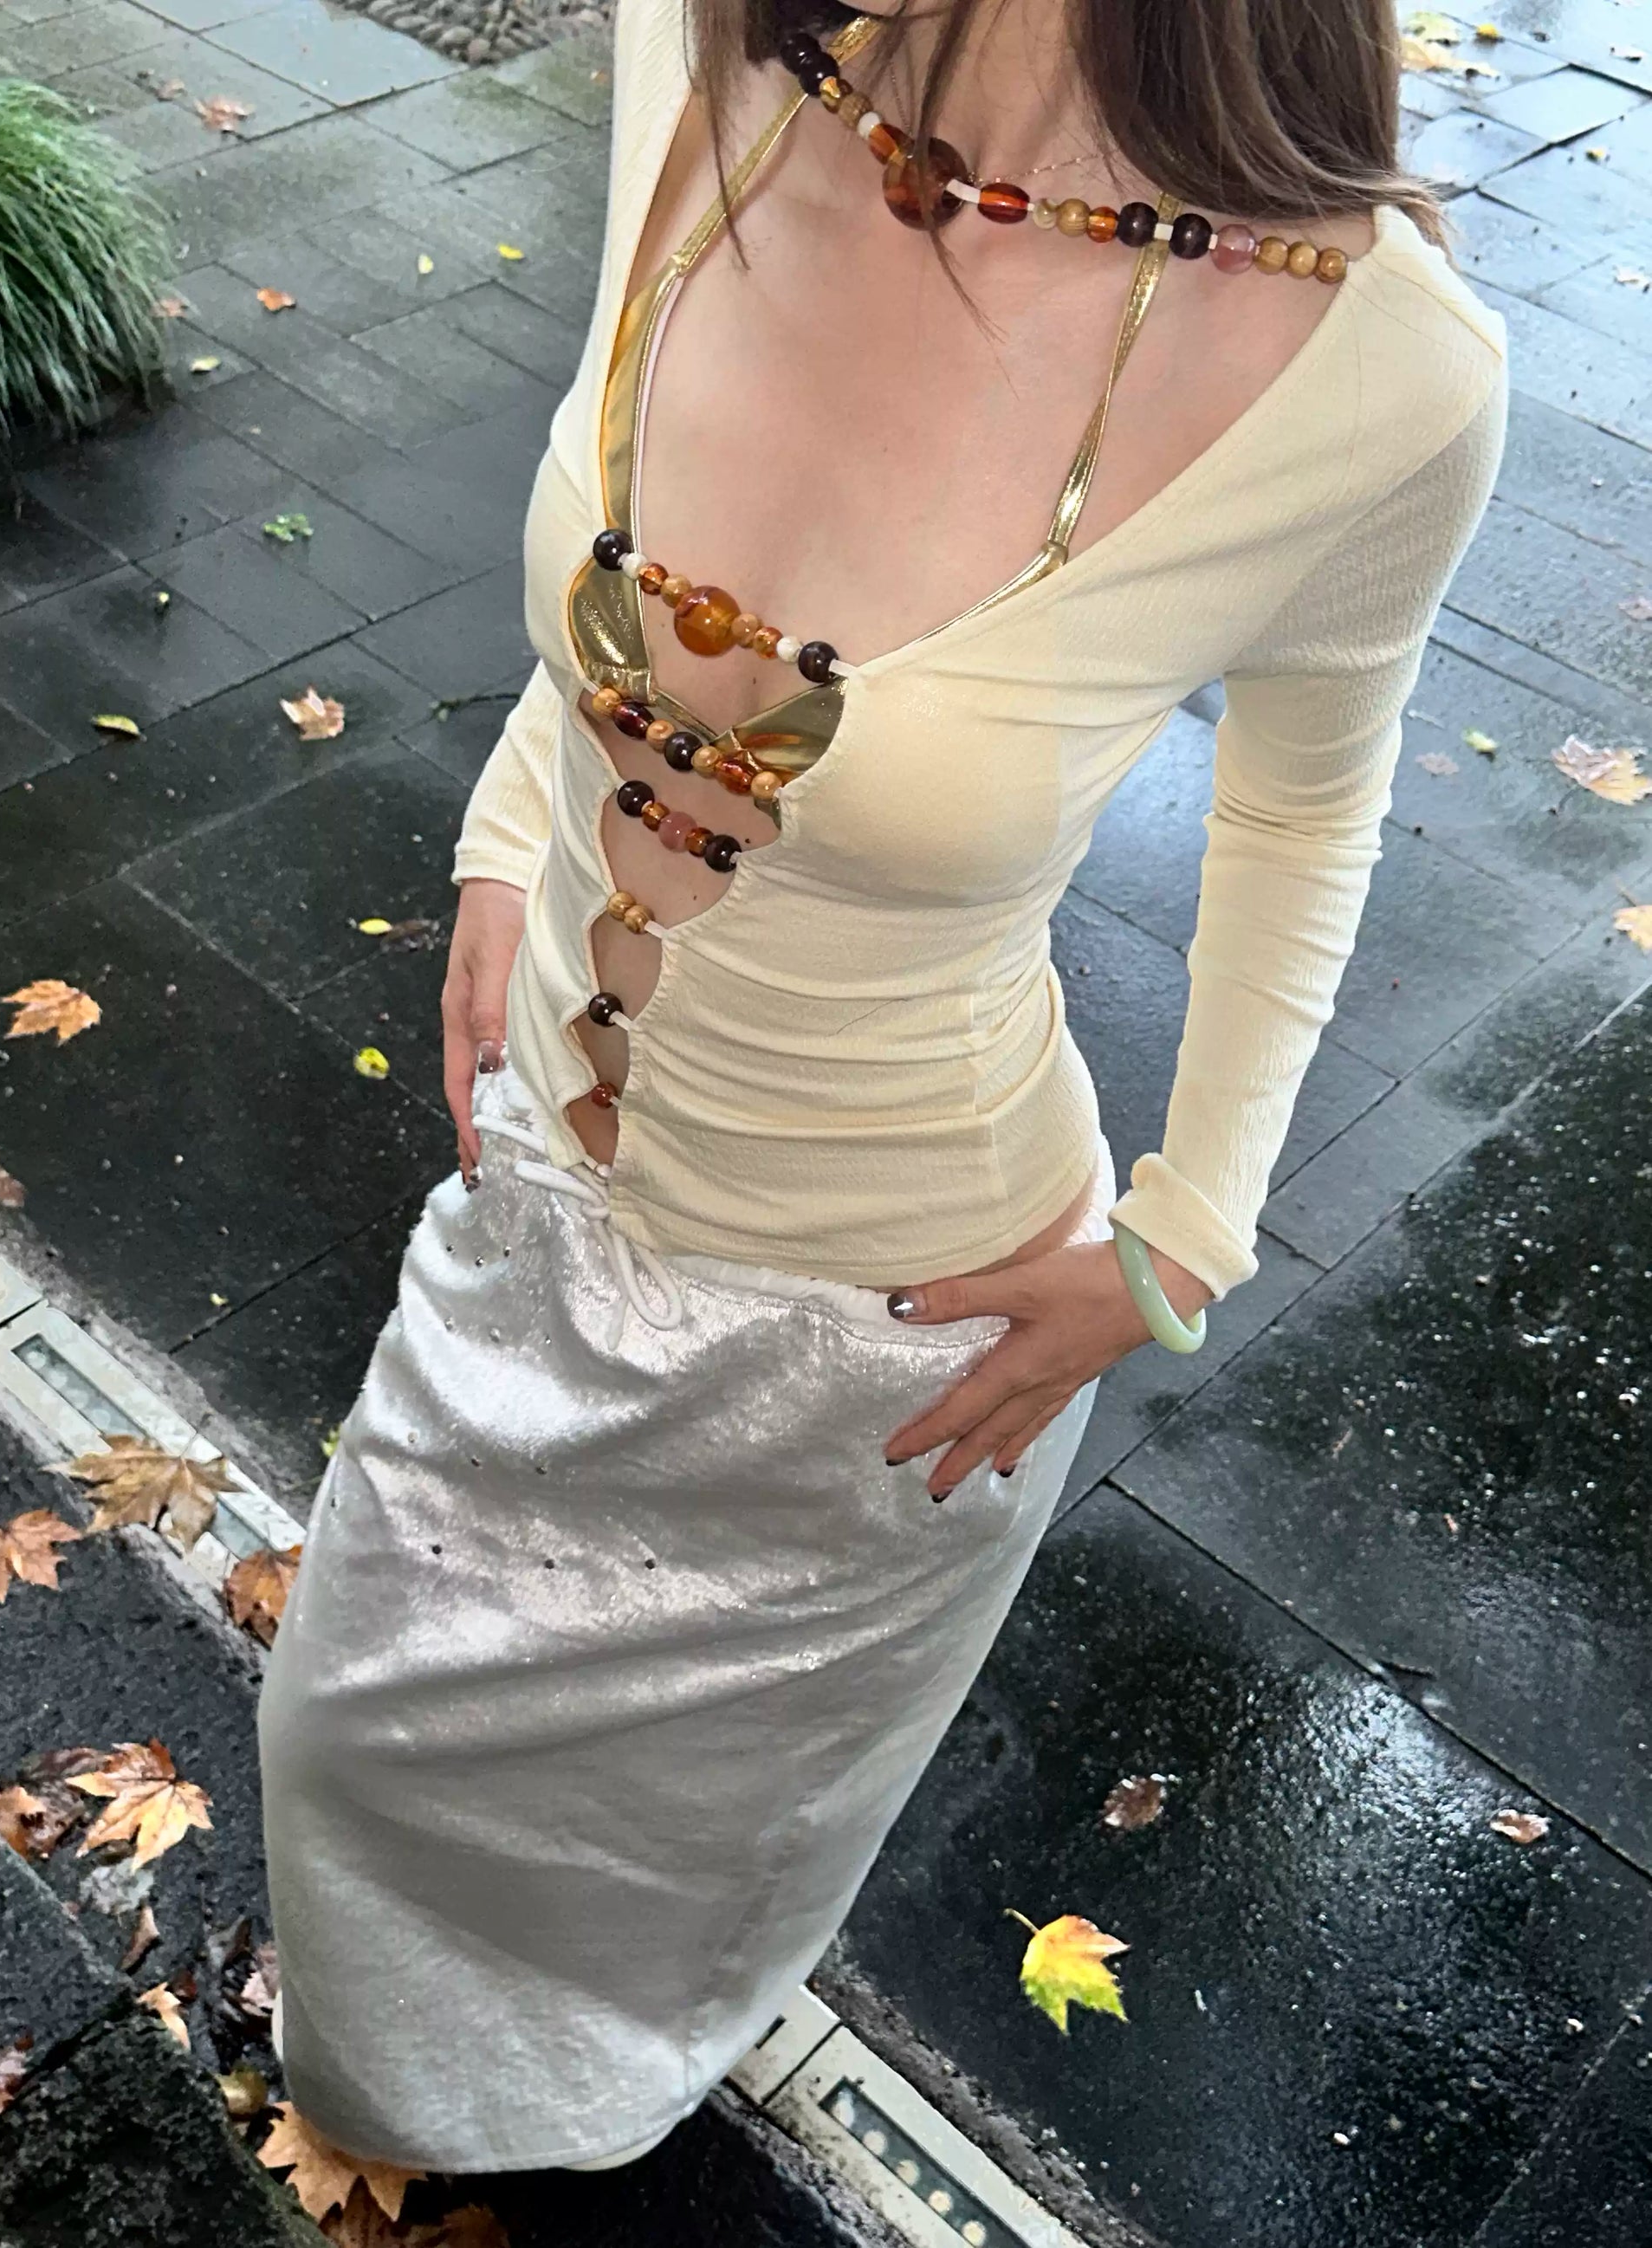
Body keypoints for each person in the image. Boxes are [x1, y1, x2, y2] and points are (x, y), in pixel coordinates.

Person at [257, 0, 1506, 2173]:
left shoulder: (1383, 371)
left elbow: (1308, 807)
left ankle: (575, 2105)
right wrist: (504, 823)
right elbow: (624, 519)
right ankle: (383, 2094)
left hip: (875, 1345)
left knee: (680, 1838)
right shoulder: (697, 58)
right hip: (538, 1192)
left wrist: (1185, 1233)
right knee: (343, 1731)